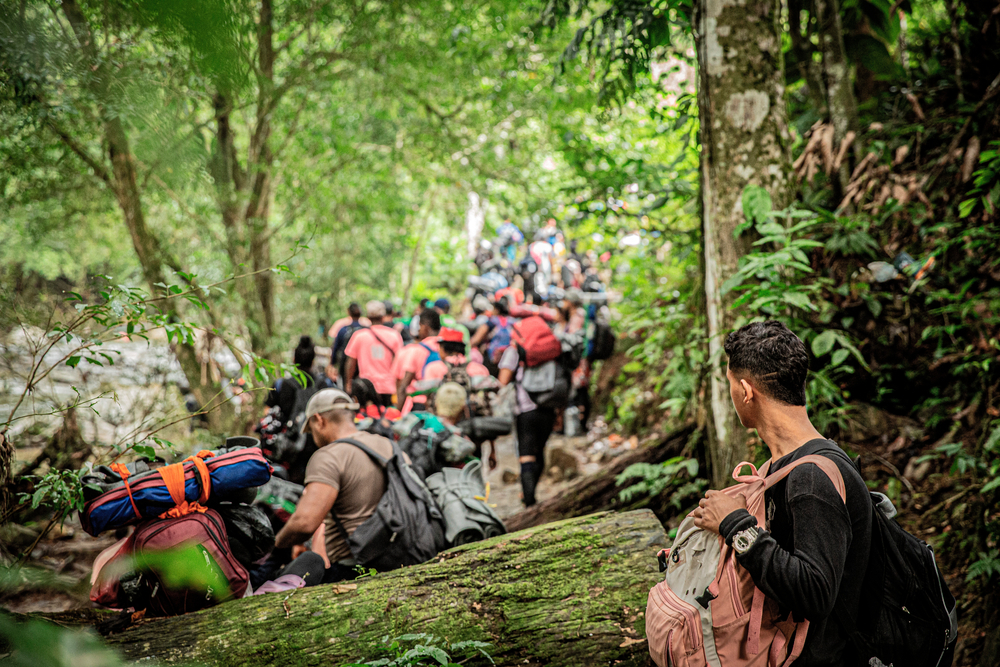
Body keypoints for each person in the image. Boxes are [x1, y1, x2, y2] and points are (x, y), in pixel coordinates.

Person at [691, 321, 872, 667]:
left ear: (746, 391)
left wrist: (735, 525)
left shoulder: (811, 479)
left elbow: (815, 594)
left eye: (729, 385)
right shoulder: (791, 463)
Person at [274, 389, 407, 583]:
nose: (313, 437)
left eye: (311, 430)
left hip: (353, 567)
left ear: (319, 420)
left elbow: (304, 523)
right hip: (400, 557)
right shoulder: (390, 446)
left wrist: (276, 546)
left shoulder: (329, 456)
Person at [498, 342, 555, 507]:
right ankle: (530, 494)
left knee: (527, 454)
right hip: (549, 405)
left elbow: (503, 379)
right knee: (540, 451)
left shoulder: (515, 350)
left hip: (525, 408)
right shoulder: (548, 347)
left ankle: (529, 501)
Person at [343, 300, 404, 406]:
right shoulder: (394, 335)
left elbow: (350, 363)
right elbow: (399, 364)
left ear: (367, 316)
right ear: (383, 316)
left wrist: (348, 384)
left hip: (365, 388)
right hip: (388, 388)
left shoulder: (359, 336)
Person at [392, 309, 442, 411]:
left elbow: (403, 386)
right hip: (443, 403)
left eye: (419, 327)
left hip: (421, 405)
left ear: (425, 327)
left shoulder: (417, 350)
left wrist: (396, 414)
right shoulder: (447, 348)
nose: (419, 330)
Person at [264, 336, 315, 425]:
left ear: (294, 360)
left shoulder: (280, 385)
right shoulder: (322, 384)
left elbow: (267, 411)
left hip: (287, 436)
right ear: (313, 361)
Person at [330, 303, 367, 380]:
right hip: (362, 368)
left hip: (345, 367)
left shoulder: (343, 330)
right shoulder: (366, 331)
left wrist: (332, 363)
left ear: (349, 312)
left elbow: (335, 348)